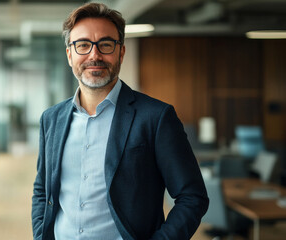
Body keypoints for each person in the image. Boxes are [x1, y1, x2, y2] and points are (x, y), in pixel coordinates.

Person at [32, 3, 209, 240]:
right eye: (83, 45)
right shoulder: (51, 119)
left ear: (121, 52)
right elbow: (42, 190)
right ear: (69, 54)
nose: (94, 55)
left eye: (105, 44)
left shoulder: (156, 117)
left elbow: (192, 196)